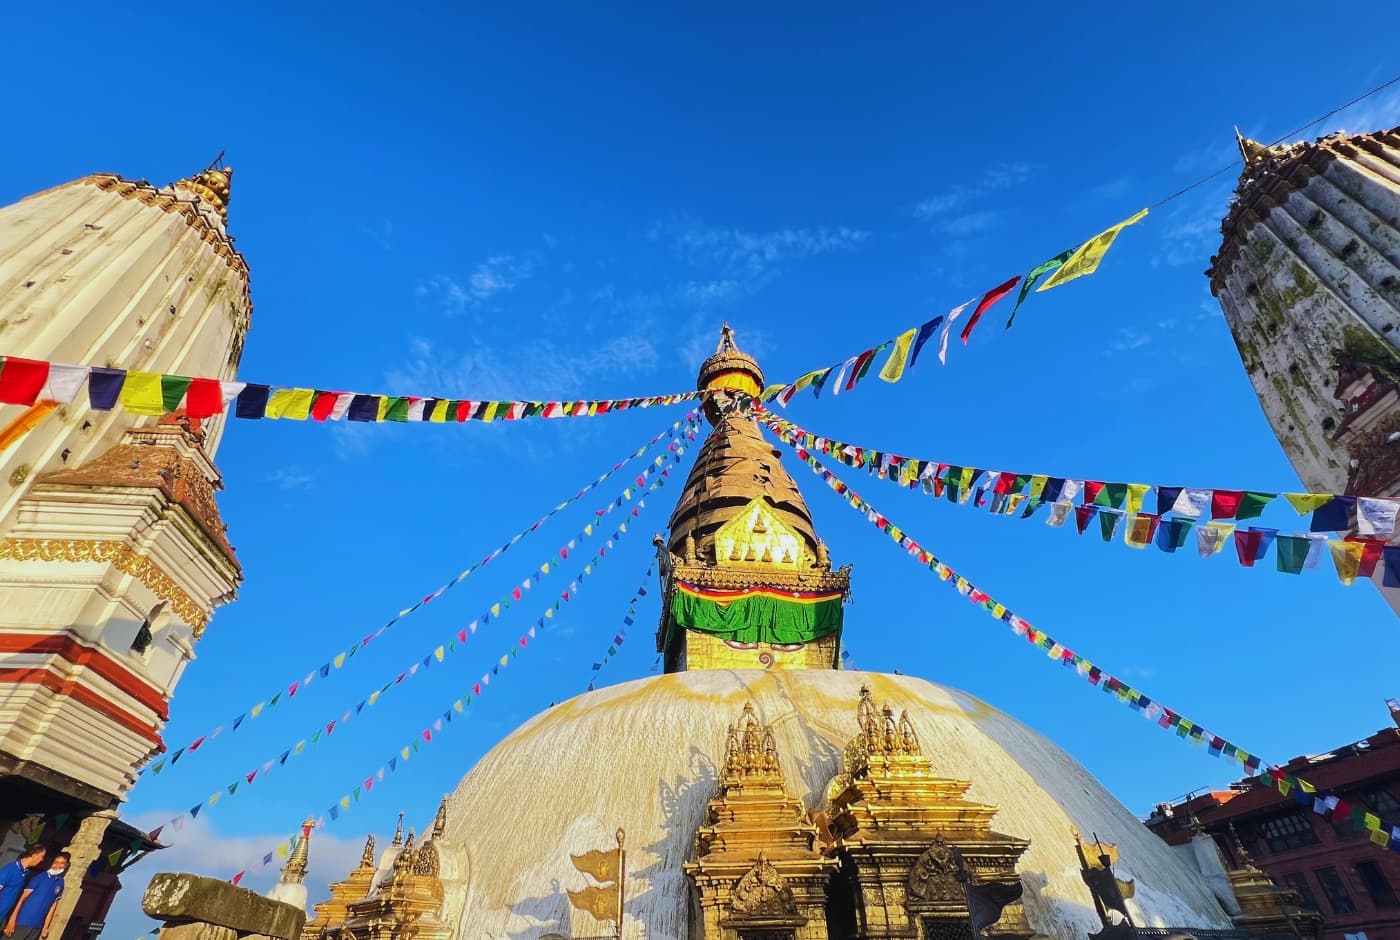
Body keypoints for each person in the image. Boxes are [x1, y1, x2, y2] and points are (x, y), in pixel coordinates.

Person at [6, 852, 67, 940]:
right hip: (21, 922)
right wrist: (12, 920)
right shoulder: (39, 877)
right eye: (55, 862)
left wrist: (46, 927)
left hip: (37, 926)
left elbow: (53, 906)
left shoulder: (61, 882)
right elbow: (22, 899)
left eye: (62, 863)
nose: (57, 865)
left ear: (66, 865)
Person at [0, 845, 46, 934]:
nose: (42, 860)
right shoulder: (10, 869)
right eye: (42, 856)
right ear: (34, 855)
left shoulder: (26, 873)